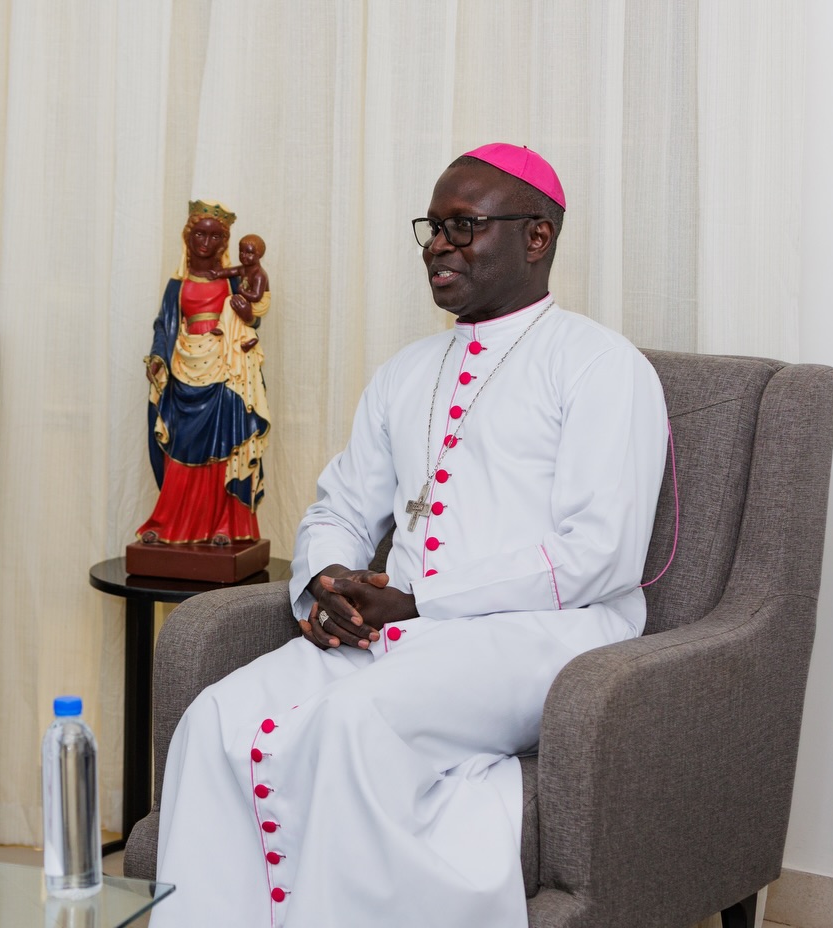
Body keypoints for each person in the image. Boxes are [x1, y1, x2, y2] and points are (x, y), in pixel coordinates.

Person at [153, 144, 668, 927]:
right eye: (433, 228)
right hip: (405, 630)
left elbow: (600, 555)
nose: (436, 246)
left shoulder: (602, 366)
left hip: (548, 638)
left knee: (357, 725)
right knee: (213, 721)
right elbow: (339, 511)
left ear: (537, 237)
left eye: (463, 228)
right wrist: (325, 584)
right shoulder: (405, 372)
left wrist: (417, 600)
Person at [138, 202, 271, 546]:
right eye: (200, 233)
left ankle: (226, 525)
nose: (205, 242)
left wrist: (246, 311)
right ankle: (169, 524)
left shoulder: (235, 278)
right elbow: (164, 326)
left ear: (224, 241)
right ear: (188, 236)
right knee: (181, 448)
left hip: (226, 372)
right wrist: (157, 358)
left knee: (226, 446)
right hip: (185, 369)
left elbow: (253, 316)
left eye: (215, 236)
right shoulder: (176, 285)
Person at [210, 234, 270, 352]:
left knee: (231, 302)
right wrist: (217, 274)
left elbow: (257, 296)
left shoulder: (259, 275)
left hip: (259, 302)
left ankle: (222, 326)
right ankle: (251, 338)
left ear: (259, 255)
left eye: (249, 253)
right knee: (237, 313)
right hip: (250, 296)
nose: (244, 256)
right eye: (241, 252)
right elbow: (231, 271)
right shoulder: (244, 268)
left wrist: (242, 292)